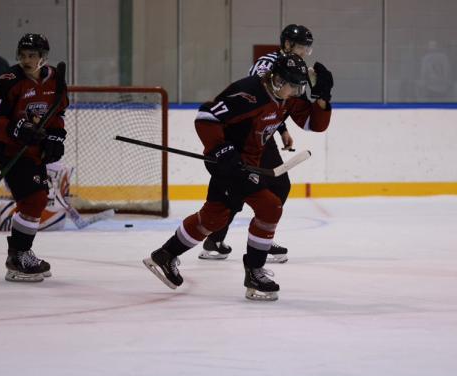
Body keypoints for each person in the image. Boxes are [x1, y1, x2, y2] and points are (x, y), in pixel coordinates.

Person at [143, 53, 334, 301]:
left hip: (248, 165)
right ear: (277, 79)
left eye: (300, 87)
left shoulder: (287, 98)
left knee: (214, 217)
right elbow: (206, 116)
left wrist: (323, 97)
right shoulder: (249, 93)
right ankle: (254, 274)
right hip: (230, 165)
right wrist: (222, 149)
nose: (296, 92)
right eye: (293, 86)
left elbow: (314, 124)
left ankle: (165, 255)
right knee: (270, 207)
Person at [199, 24, 315, 263]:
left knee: (270, 186)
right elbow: (258, 100)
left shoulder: (292, 66)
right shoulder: (269, 62)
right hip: (248, 134)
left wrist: (281, 129)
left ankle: (237, 238)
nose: (305, 52)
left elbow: (278, 105)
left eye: (307, 48)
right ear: (288, 44)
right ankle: (228, 240)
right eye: (302, 46)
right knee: (245, 186)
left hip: (264, 132)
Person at [0, 33, 69, 282]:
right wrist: (16, 129)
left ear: (43, 57)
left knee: (36, 202)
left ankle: (20, 254)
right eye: (23, 55)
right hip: (11, 149)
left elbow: (57, 114)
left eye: (32, 55)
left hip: (36, 149)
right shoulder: (9, 81)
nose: (26, 60)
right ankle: (18, 257)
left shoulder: (55, 80)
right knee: (34, 199)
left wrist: (56, 136)